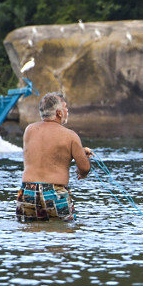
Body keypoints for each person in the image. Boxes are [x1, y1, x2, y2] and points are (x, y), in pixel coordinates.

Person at [16, 92, 93, 222]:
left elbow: (47, 153)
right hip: (55, 193)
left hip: (28, 191)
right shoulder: (70, 136)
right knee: (65, 231)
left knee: (29, 232)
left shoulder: (29, 130)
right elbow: (84, 168)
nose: (67, 110)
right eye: (65, 107)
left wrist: (79, 151)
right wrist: (82, 168)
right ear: (59, 113)